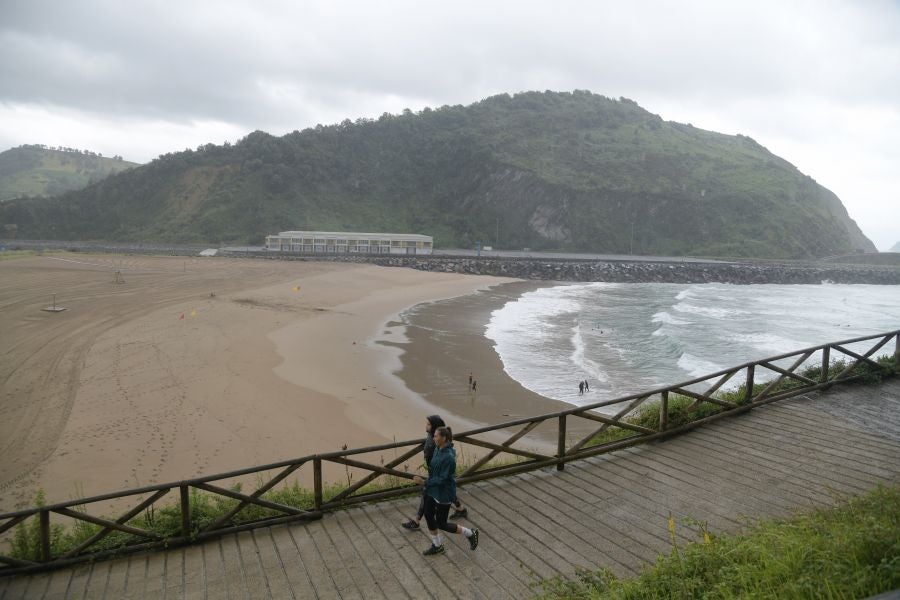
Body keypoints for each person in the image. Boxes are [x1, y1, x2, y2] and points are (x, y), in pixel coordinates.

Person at [413, 426, 479, 555]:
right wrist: (427, 485)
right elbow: (434, 472)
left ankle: (471, 533)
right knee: (428, 515)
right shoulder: (438, 449)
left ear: (443, 438)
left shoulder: (448, 457)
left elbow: (443, 479)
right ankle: (437, 545)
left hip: (444, 493)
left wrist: (424, 482)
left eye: (436, 436)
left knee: (442, 523)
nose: (433, 438)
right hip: (432, 490)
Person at [401, 416, 467, 530]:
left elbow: (442, 458)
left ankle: (416, 521)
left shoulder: (437, 442)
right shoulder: (432, 436)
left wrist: (427, 480)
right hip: (434, 472)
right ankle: (461, 508)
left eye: (429, 424)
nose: (426, 426)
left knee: (428, 492)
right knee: (442, 490)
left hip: (436, 472)